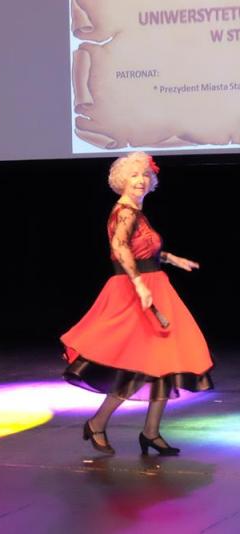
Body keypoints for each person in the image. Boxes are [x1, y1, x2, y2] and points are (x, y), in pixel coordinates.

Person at [61, 152, 213, 456]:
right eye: (133, 175)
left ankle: (151, 432)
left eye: (145, 175)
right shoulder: (125, 212)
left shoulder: (137, 212)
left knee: (164, 362)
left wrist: (171, 258)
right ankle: (97, 423)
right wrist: (140, 285)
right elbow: (119, 248)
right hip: (134, 292)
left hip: (155, 287)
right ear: (122, 180)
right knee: (136, 366)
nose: (140, 180)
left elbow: (143, 250)